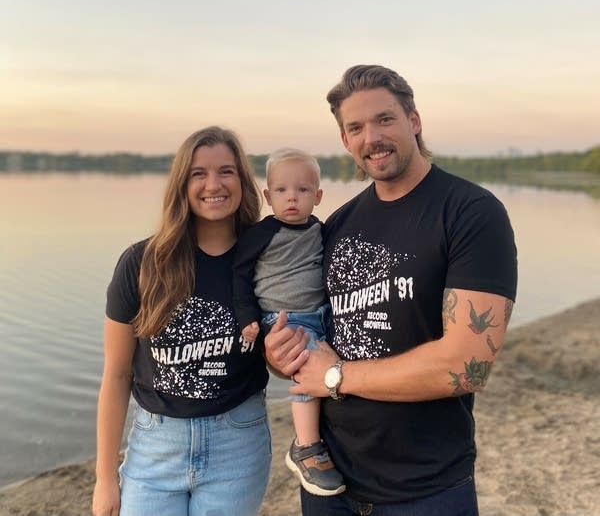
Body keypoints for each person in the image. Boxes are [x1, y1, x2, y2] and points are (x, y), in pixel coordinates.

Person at [265, 65, 518, 516]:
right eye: (356, 128)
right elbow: (315, 328)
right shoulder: (337, 225)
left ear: (414, 121)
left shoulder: (471, 213)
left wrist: (336, 376)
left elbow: (467, 365)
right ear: (346, 141)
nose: (372, 138)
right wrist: (282, 354)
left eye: (385, 120)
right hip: (330, 483)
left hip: (427, 487)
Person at [92, 127, 271, 516]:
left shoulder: (265, 261)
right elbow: (117, 374)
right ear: (181, 184)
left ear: (242, 179)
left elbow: (282, 353)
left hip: (238, 443)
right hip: (156, 446)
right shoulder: (140, 264)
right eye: (198, 173)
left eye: (226, 171)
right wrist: (105, 477)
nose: (213, 184)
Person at [232, 148, 345, 497]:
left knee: (338, 364)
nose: (291, 198)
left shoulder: (319, 230)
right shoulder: (261, 233)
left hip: (321, 313)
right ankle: (307, 447)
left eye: (302, 190)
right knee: (309, 368)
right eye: (281, 191)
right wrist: (249, 320)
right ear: (267, 196)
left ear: (318, 196)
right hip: (284, 318)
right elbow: (239, 276)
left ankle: (332, 433)